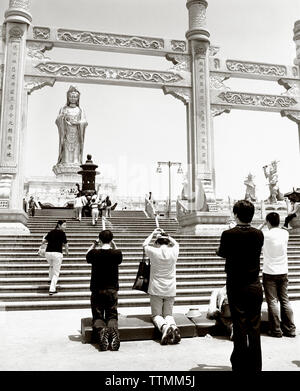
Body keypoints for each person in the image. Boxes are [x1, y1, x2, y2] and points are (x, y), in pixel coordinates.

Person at [216, 200, 264, 372]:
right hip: (254, 285)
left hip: (236, 285)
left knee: (240, 325)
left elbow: (221, 252)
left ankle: (240, 364)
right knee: (254, 326)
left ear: (236, 214)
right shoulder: (259, 234)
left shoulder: (228, 234)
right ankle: (255, 366)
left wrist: (231, 229)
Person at [259, 212, 296, 337]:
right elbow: (284, 230)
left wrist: (262, 224)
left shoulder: (265, 234)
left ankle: (276, 330)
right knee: (285, 300)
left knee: (273, 301)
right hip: (283, 271)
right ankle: (290, 329)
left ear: (268, 222)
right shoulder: (285, 233)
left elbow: (255, 233)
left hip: (269, 271)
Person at [86, 230, 123, 351]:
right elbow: (118, 253)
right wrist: (114, 245)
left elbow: (87, 255)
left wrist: (94, 244)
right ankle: (113, 332)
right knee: (112, 314)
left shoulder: (94, 253)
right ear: (111, 240)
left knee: (98, 315)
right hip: (112, 289)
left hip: (97, 289)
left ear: (100, 239)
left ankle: (102, 331)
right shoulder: (116, 253)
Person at [143, 228, 180, 345]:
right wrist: (168, 236)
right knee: (168, 314)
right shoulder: (174, 251)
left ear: (157, 242)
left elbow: (144, 245)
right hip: (170, 287)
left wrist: (153, 233)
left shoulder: (154, 251)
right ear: (168, 242)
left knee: (156, 315)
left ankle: (164, 328)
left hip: (156, 287)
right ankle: (173, 327)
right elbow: (176, 243)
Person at [55, 85, 88, 165]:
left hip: (77, 133)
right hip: (66, 133)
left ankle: (76, 161)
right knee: (66, 148)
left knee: (76, 148)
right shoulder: (63, 109)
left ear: (78, 98)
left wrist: (78, 123)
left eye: (75, 97)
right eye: (71, 96)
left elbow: (84, 122)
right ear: (68, 97)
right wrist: (62, 117)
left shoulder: (80, 110)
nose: (73, 98)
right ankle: (65, 161)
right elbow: (57, 120)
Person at [42, 220, 69, 295]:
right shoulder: (62, 233)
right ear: (59, 225)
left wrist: (44, 237)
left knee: (51, 266)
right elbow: (66, 244)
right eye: (64, 225)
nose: (65, 227)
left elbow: (43, 241)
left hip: (48, 253)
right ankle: (52, 289)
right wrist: (67, 252)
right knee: (56, 273)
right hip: (57, 253)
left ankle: (50, 280)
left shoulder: (51, 232)